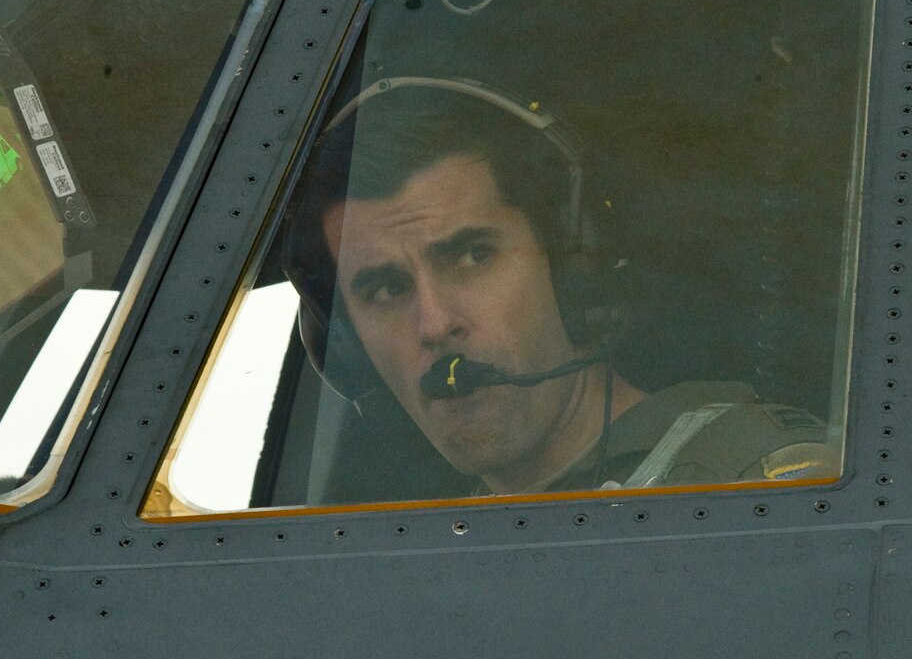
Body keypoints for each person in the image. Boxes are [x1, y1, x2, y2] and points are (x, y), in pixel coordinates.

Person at [285, 77, 832, 498]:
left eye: (473, 256)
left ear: (576, 269)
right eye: (384, 290)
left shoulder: (756, 488)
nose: (434, 323)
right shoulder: (437, 547)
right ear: (350, 349)